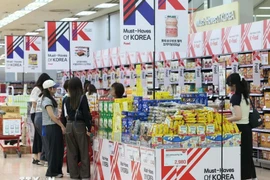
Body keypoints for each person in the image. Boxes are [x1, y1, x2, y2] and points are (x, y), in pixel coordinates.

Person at [226, 73, 256, 180]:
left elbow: (238, 116)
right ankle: (251, 176)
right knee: (247, 155)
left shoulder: (235, 97)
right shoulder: (245, 96)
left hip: (240, 129)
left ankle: (243, 176)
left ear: (232, 85)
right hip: (247, 128)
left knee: (241, 155)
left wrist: (225, 120)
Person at [62, 77, 92, 180]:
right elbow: (86, 114)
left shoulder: (66, 99)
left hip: (69, 125)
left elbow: (64, 115)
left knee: (71, 152)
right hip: (79, 125)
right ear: (79, 86)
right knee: (83, 151)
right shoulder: (82, 98)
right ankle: (85, 175)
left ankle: (74, 175)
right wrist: (89, 127)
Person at [42, 79, 65, 178]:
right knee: (53, 150)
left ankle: (56, 171)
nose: (56, 88)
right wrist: (62, 126)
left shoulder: (51, 98)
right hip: (51, 127)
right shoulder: (46, 100)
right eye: (54, 87)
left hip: (53, 126)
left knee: (58, 149)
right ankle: (51, 171)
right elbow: (51, 116)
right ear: (49, 89)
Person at [29, 73, 51, 165]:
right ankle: (36, 157)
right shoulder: (37, 89)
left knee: (40, 136)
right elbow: (34, 103)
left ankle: (37, 157)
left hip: (39, 114)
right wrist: (41, 110)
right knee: (39, 136)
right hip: (36, 114)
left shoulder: (42, 89)